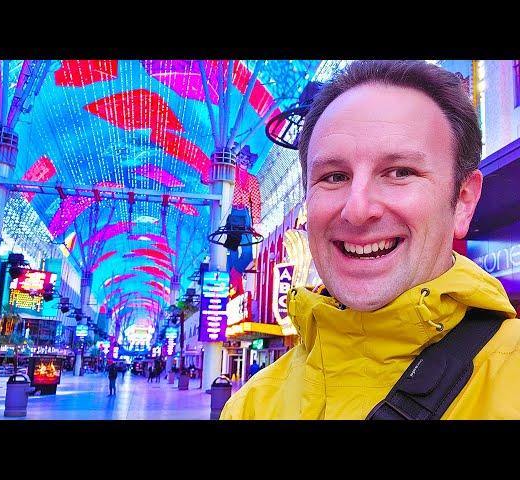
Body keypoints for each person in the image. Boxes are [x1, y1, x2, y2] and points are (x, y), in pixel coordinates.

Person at [221, 60, 520, 420]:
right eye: (334, 176)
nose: (357, 209)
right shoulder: (251, 406)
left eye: (400, 172)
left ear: (462, 202)